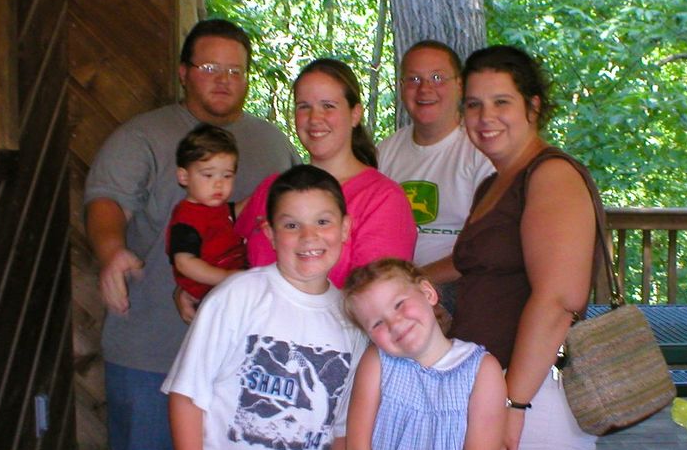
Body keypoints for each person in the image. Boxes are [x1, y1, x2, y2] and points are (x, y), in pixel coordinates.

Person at [84, 19, 299, 450]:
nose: (223, 80)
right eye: (209, 68)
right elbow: (106, 199)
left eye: (235, 70)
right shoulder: (143, 136)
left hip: (247, 354)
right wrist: (112, 251)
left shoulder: (272, 143)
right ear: (184, 74)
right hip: (151, 341)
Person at [162, 165, 367, 450]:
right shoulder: (238, 296)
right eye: (292, 225)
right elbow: (186, 394)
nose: (309, 237)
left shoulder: (351, 321)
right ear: (269, 233)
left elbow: (342, 432)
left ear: (344, 228)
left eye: (322, 222)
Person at [449, 45, 604, 450]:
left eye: (501, 102)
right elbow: (475, 266)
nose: (485, 117)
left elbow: (559, 298)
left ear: (533, 107)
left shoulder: (551, 174)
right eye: (473, 104)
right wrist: (408, 282)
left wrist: (513, 404)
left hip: (538, 393)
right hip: (494, 387)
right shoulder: (495, 183)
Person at [337, 258, 506, 450]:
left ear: (428, 293)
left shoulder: (482, 370)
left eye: (399, 304)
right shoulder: (377, 364)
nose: (394, 323)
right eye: (376, 323)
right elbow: (358, 448)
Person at [235, 58, 417, 288]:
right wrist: (195, 286)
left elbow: (379, 298)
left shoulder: (382, 199)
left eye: (328, 106)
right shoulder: (272, 189)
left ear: (355, 114)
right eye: (304, 107)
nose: (314, 118)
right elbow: (228, 253)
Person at [377, 40, 493, 309]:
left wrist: (415, 283)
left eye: (437, 78)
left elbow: (485, 250)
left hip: (460, 287)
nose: (425, 89)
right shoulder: (385, 152)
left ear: (460, 85)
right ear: (401, 86)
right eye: (414, 79)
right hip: (393, 287)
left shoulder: (481, 150)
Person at [166, 123, 245, 300]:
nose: (219, 184)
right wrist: (225, 277)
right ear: (184, 176)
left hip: (234, 281)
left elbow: (234, 212)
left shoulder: (216, 208)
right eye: (208, 175)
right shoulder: (186, 218)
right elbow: (184, 263)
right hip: (211, 292)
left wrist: (261, 195)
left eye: (227, 176)